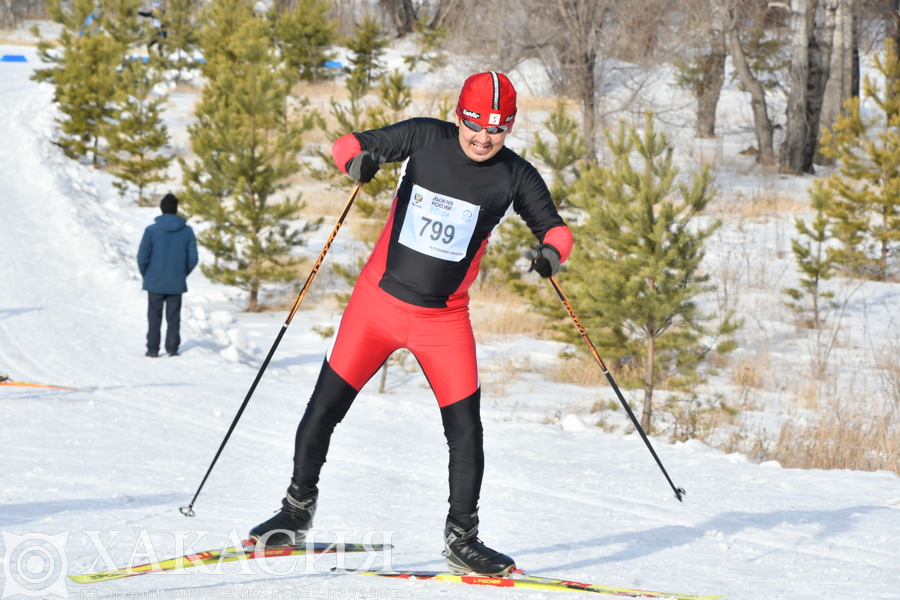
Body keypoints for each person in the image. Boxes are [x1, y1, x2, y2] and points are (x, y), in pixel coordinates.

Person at [249, 72, 573, 577]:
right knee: (324, 409)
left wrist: (551, 252)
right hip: (375, 306)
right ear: (459, 116)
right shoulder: (425, 136)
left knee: (466, 432)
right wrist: (357, 162)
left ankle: (463, 537)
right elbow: (347, 144)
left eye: (497, 129)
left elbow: (554, 227)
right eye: (475, 126)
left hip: (443, 320)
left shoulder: (516, 175)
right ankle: (295, 512)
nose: (484, 138)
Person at [137, 193, 198, 358]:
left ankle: (152, 349)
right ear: (176, 209)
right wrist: (181, 273)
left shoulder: (151, 231)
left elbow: (143, 257)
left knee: (154, 316)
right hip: (176, 281)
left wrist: (147, 274)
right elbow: (193, 258)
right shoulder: (187, 232)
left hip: (154, 280)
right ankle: (172, 348)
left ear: (162, 209)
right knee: (174, 317)